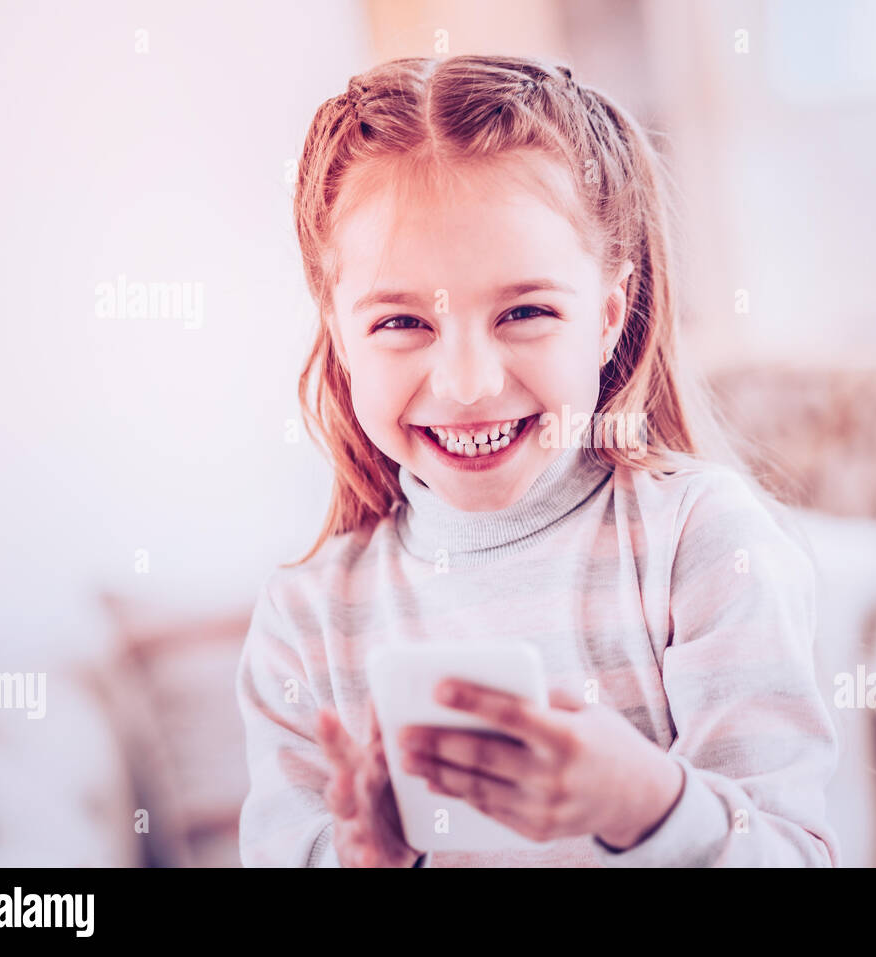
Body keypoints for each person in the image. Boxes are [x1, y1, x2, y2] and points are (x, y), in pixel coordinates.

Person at [236, 54, 841, 867]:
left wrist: (646, 802)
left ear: (608, 314)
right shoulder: (304, 622)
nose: (467, 383)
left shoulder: (699, 543)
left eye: (525, 311)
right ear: (340, 335)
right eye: (402, 323)